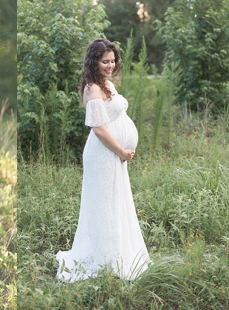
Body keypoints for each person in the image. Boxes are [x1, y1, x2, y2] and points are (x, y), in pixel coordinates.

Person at [56, 38, 150, 282]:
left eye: (113, 60)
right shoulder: (93, 88)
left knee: (115, 202)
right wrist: (121, 151)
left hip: (113, 153)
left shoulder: (106, 83)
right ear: (93, 61)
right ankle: (104, 259)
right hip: (103, 155)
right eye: (104, 61)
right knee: (103, 206)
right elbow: (99, 129)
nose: (110, 65)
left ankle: (116, 254)